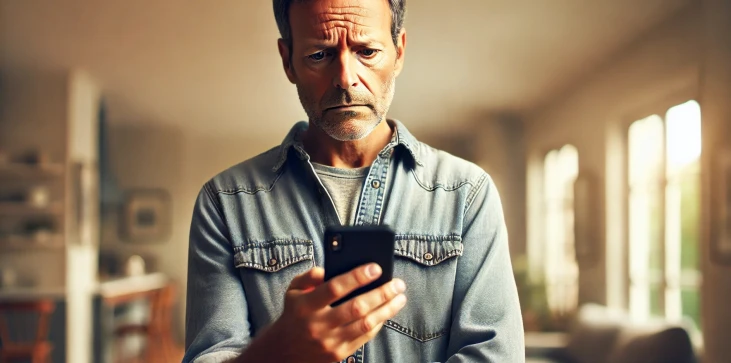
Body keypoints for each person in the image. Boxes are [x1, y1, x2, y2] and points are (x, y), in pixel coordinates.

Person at [183, 0, 524, 362]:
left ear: (399, 52)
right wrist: (278, 352)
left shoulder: (466, 194)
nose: (345, 77)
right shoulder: (225, 202)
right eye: (319, 54)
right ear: (288, 60)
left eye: (367, 51)